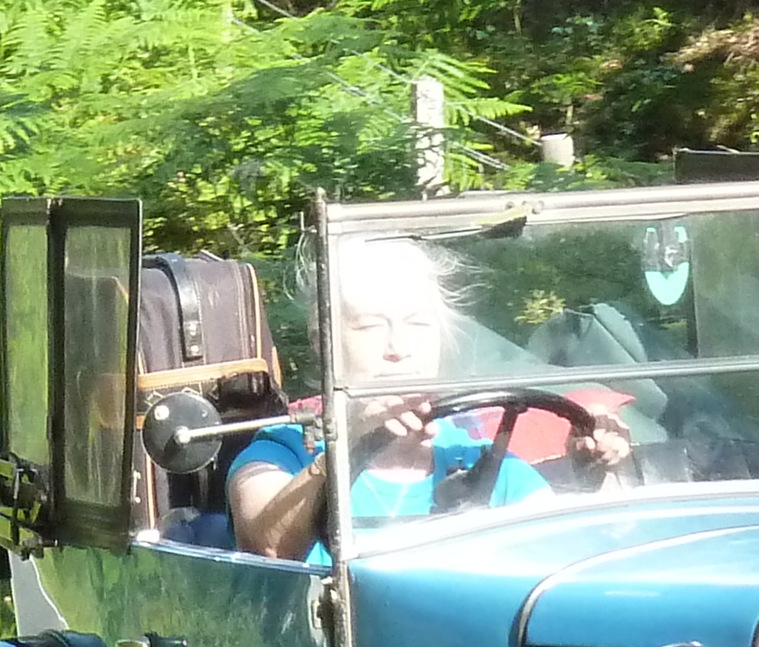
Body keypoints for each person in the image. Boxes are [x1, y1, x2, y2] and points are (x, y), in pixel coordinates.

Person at [230, 234, 631, 558]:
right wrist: (346, 448)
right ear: (323, 344)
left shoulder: (482, 459)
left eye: (419, 324)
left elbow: (577, 554)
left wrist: (593, 471)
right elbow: (268, 548)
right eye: (370, 327)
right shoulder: (282, 451)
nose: (399, 347)